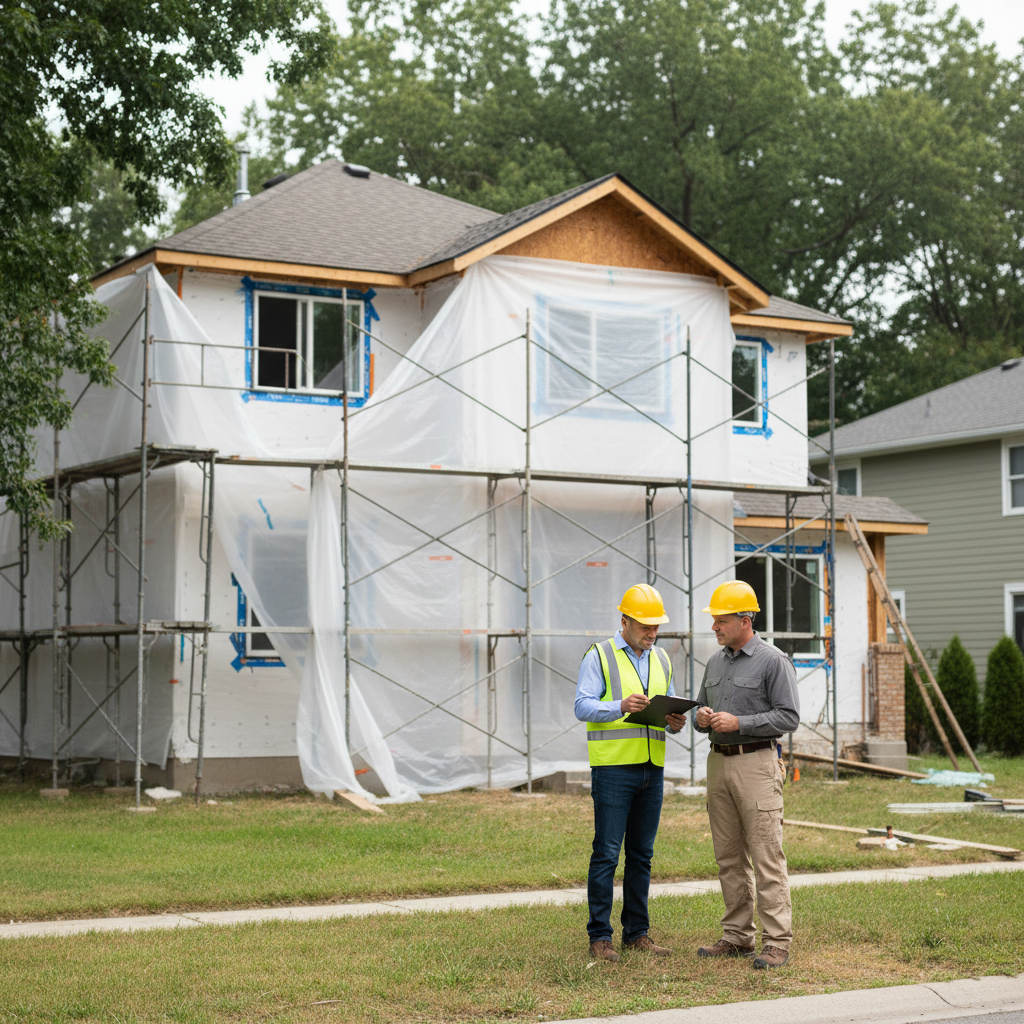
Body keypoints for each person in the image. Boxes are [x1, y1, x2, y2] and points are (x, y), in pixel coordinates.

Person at [574, 583, 688, 963]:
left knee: (642, 854)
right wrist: (619, 705)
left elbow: (668, 710)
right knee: (606, 853)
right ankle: (600, 937)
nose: (652, 633)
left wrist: (675, 722)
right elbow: (582, 706)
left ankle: (637, 933)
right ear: (624, 622)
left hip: (651, 769)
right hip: (613, 769)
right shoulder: (600, 655)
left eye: (656, 626)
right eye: (645, 626)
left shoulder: (662, 660)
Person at [693, 580, 800, 970]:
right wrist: (701, 717)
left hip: (756, 764)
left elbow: (788, 717)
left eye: (720, 620)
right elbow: (699, 712)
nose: (715, 627)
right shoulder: (715, 662)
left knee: (766, 855)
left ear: (744, 619)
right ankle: (737, 936)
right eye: (714, 620)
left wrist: (742, 721)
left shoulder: (773, 661)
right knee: (728, 856)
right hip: (718, 763)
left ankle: (777, 942)